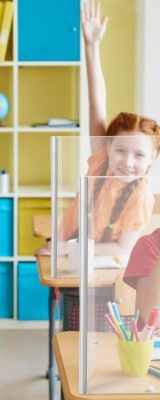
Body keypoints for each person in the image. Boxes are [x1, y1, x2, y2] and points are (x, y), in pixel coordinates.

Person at [36, 1, 160, 257]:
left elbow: (122, 248)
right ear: (108, 147)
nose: (127, 161)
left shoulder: (141, 195)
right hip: (69, 255)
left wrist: (66, 250)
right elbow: (96, 102)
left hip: (101, 269)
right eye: (121, 150)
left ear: (152, 160)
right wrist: (91, 48)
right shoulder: (102, 161)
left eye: (139, 155)